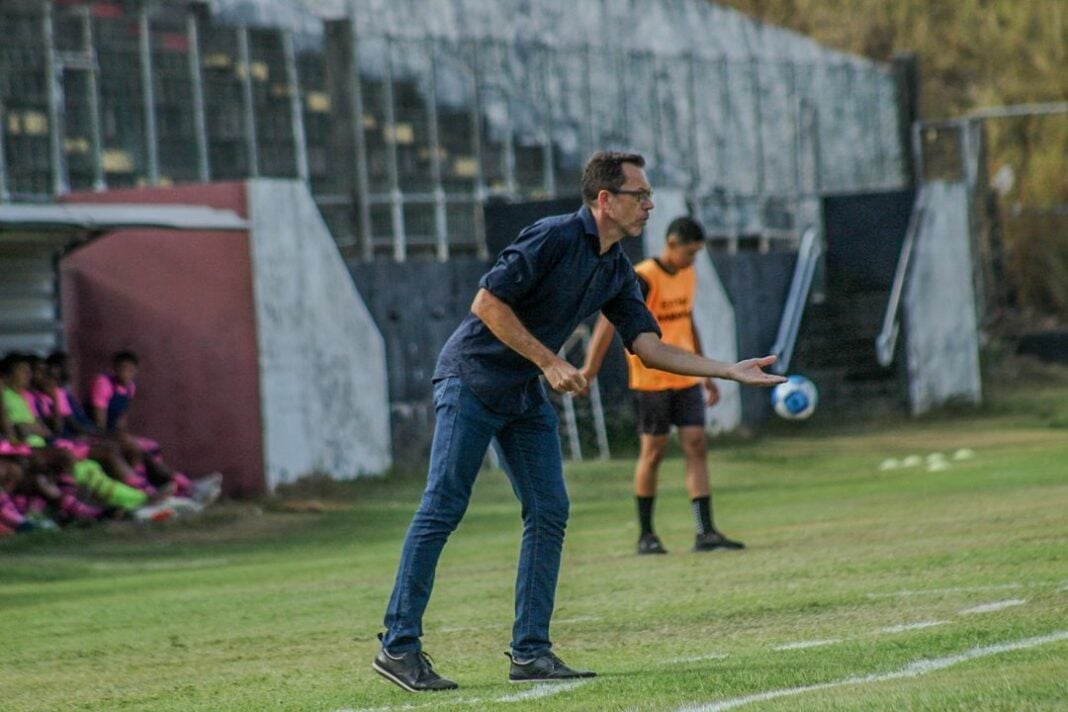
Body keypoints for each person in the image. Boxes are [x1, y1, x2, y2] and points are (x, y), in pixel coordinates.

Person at [373, 151, 786, 693]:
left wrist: (728, 371)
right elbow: (487, 305)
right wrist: (549, 360)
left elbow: (650, 348)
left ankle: (530, 652)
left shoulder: (617, 268)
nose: (650, 204)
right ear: (605, 200)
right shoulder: (550, 236)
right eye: (640, 195)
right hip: (471, 380)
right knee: (444, 504)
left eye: (649, 195)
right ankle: (398, 647)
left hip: (520, 394)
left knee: (550, 511)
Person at [580, 216, 744, 555]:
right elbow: (608, 323)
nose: (693, 259)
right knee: (653, 453)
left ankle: (705, 532)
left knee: (696, 445)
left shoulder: (688, 274)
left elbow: (687, 322)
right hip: (651, 379)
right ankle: (646, 535)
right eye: (690, 252)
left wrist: (707, 373)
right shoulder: (643, 277)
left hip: (685, 376)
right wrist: (590, 369)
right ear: (671, 243)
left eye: (697, 253)